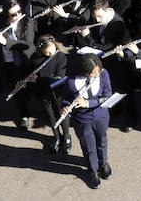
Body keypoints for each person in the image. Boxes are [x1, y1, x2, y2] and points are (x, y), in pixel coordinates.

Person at [60, 54, 113, 187]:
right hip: (82, 120)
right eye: (92, 73)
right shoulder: (72, 80)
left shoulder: (103, 74)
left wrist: (88, 103)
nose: (96, 74)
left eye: (97, 71)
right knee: (88, 146)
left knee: (102, 140)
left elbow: (107, 95)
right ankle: (93, 170)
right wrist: (64, 108)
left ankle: (103, 163)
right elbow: (66, 98)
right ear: (84, 71)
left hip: (100, 115)